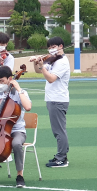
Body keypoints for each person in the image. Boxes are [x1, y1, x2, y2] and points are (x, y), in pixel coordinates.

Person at [30, 37, 71, 168]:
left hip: (58, 99)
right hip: (52, 98)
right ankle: (61, 155)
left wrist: (42, 66)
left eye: (53, 46)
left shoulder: (62, 62)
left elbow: (51, 78)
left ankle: (62, 158)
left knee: (59, 130)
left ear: (60, 46)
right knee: (57, 130)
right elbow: (38, 70)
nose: (50, 49)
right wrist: (37, 62)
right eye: (49, 47)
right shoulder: (53, 59)